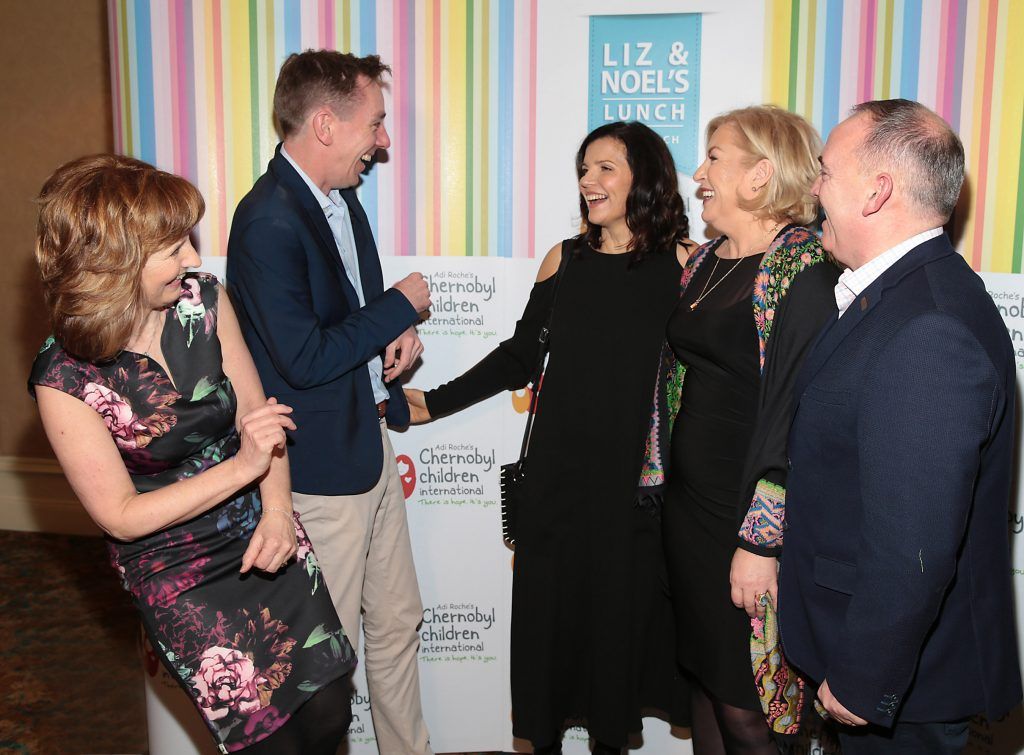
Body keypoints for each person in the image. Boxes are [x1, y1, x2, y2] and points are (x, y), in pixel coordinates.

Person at [28, 154, 355, 754]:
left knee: (331, 707)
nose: (194, 259)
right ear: (114, 262)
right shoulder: (64, 376)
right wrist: (242, 468)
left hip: (264, 531)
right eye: (173, 247)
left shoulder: (203, 302)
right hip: (178, 570)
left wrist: (279, 512)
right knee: (270, 745)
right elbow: (120, 515)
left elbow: (262, 421)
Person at [404, 120, 692, 754]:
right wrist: (432, 403)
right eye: (584, 169)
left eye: (605, 168)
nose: (589, 182)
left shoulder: (684, 266)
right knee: (548, 636)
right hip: (557, 485)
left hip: (633, 494)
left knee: (617, 632)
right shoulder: (565, 259)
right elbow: (519, 358)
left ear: (643, 177)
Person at [778, 98, 1023, 754]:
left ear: (877, 190)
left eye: (826, 172)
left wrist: (863, 677)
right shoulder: (900, 294)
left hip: (899, 686)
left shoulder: (929, 327)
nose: (814, 190)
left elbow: (914, 542)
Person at [226, 50, 433, 755]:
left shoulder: (341, 198)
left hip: (368, 444)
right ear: (324, 124)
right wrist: (401, 304)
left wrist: (394, 327)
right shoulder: (266, 221)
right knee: (326, 663)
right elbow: (305, 358)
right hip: (316, 471)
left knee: (399, 619)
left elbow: (349, 316)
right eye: (374, 124)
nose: (382, 141)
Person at [651, 105, 839, 754]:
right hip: (689, 512)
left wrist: (763, 539)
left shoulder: (803, 268)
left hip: (751, 520)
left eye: (715, 158)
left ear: (761, 174)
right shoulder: (703, 262)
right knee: (704, 683)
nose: (698, 173)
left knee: (752, 710)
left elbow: (803, 413)